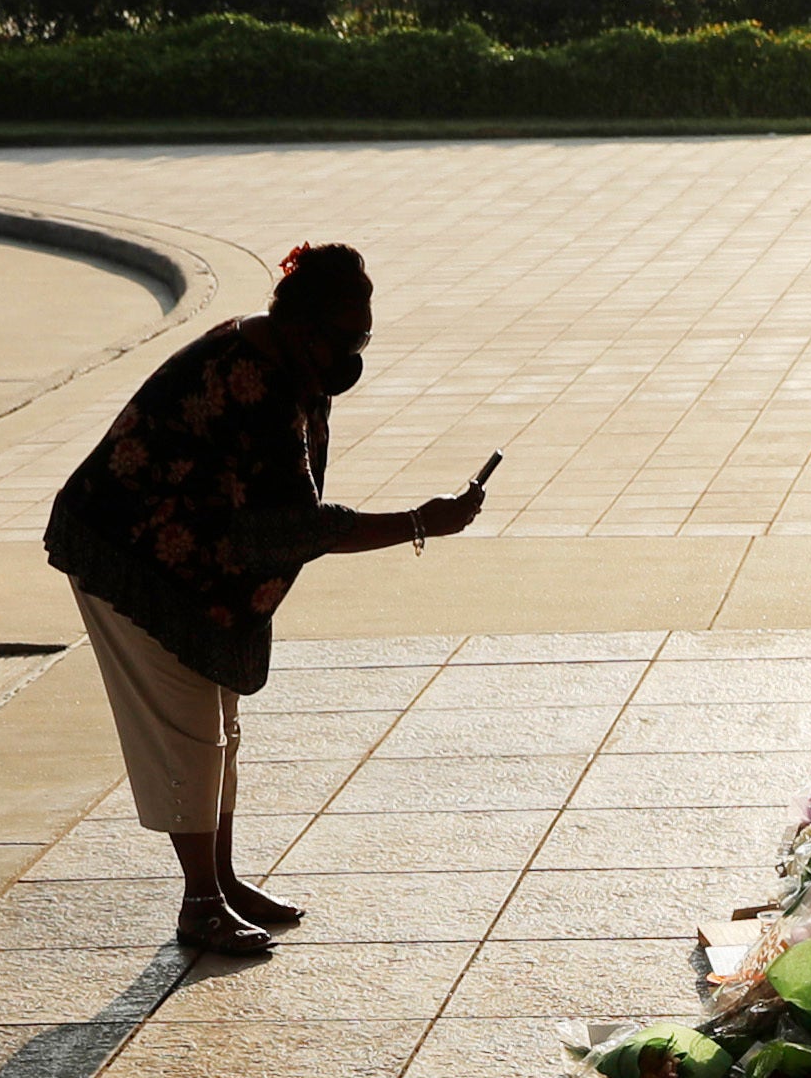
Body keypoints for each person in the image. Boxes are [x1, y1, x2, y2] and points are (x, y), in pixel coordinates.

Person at [38, 242, 487, 958]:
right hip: (132, 553)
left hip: (197, 560)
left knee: (221, 727)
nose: (354, 354)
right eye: (346, 337)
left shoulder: (290, 361)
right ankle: (200, 904)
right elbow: (296, 526)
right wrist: (417, 522)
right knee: (188, 729)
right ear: (303, 324)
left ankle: (221, 880)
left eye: (363, 337)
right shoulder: (254, 381)